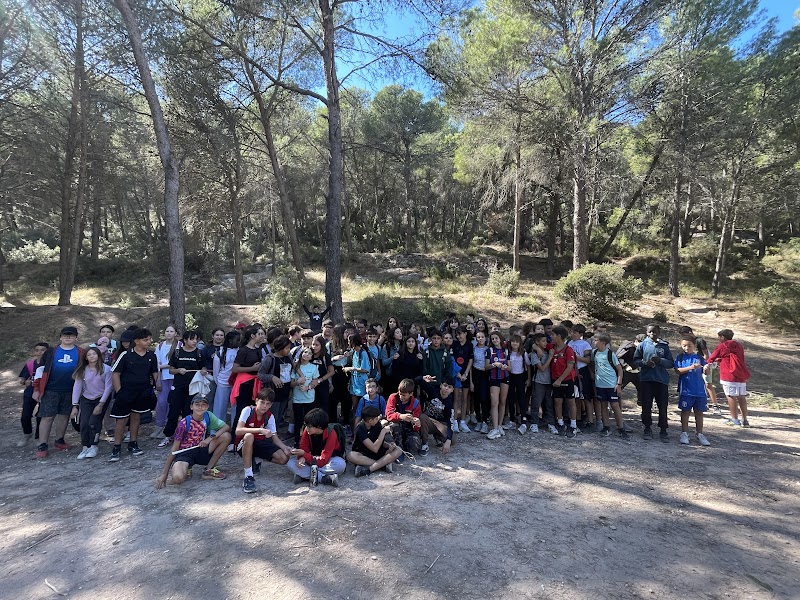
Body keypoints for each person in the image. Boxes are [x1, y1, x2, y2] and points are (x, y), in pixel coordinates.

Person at [155, 396, 231, 488]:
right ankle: (186, 467)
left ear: (207, 407)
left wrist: (209, 439)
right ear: (191, 407)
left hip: (201, 448)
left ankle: (208, 470)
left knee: (226, 436)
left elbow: (226, 427)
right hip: (185, 453)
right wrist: (165, 473)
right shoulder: (183, 423)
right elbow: (174, 448)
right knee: (178, 479)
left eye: (203, 405)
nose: (200, 407)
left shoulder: (208, 416)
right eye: (197, 404)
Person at [32, 326, 86, 458]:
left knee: (64, 415)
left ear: (76, 337)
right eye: (65, 335)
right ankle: (42, 444)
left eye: (71, 335)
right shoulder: (51, 351)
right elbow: (40, 370)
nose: (68, 337)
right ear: (60, 337)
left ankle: (59, 440)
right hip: (50, 389)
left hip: (71, 390)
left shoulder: (81, 352)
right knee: (47, 417)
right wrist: (36, 389)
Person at [109, 328, 161, 462]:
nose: (148, 342)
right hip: (126, 392)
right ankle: (116, 447)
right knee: (121, 419)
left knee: (136, 417)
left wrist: (155, 384)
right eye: (145, 340)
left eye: (149, 339)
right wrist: (119, 391)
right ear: (136, 341)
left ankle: (133, 443)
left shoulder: (151, 355)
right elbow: (115, 373)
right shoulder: (125, 355)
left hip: (143, 392)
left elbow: (155, 372)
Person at [236, 388, 291, 493]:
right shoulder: (248, 410)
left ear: (271, 405)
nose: (264, 406)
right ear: (256, 401)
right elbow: (238, 431)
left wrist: (285, 448)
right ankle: (248, 476)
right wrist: (260, 430)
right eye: (262, 402)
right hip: (243, 443)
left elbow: (275, 438)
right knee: (249, 436)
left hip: (259, 443)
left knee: (283, 458)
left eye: (268, 403)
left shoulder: (270, 416)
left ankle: (257, 458)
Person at [160, 330, 207, 448]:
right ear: (185, 340)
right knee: (173, 411)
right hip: (178, 386)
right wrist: (178, 370)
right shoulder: (177, 353)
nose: (194, 341)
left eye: (196, 339)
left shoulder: (199, 353)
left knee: (188, 412)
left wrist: (203, 371)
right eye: (192, 339)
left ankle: (187, 436)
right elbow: (171, 370)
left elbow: (204, 367)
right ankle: (168, 435)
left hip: (193, 388)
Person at [633, 324, 674, 441]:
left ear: (659, 333)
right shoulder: (642, 345)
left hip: (661, 380)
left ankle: (663, 429)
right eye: (650, 332)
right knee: (646, 405)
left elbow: (670, 363)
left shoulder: (664, 346)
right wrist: (645, 363)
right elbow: (636, 360)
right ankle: (647, 428)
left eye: (654, 332)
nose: (652, 334)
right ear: (646, 332)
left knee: (662, 405)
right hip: (646, 379)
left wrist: (660, 360)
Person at [287, 408, 346, 487]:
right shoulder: (307, 430)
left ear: (319, 427)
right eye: (306, 425)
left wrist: (304, 455)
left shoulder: (331, 433)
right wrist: (301, 458)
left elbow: (324, 460)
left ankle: (305, 476)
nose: (306, 428)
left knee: (341, 465)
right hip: (312, 458)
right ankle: (323, 478)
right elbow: (303, 447)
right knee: (290, 463)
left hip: (329, 459)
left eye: (309, 426)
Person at [71, 346, 113, 459]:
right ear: (85, 357)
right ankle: (85, 446)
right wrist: (75, 405)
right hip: (87, 398)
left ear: (98, 355)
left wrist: (101, 404)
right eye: (89, 355)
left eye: (94, 354)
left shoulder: (106, 369)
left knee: (94, 422)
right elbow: (77, 387)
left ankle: (94, 445)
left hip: (101, 398)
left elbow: (108, 387)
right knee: (84, 423)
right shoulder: (83, 370)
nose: (91, 356)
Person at [708, 329, 751, 427]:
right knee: (741, 397)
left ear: (722, 337)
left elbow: (712, 358)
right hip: (740, 374)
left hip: (728, 375)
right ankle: (745, 420)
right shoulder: (739, 346)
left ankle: (735, 420)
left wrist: (709, 363)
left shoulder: (722, 346)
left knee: (731, 396)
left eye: (719, 337)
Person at [674, 336, 712, 446]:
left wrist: (706, 369)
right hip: (686, 390)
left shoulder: (699, 357)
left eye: (689, 346)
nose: (687, 348)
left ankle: (700, 434)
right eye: (684, 346)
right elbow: (678, 370)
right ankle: (684, 433)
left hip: (699, 390)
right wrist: (691, 367)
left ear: (694, 346)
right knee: (685, 412)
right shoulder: (680, 357)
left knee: (699, 412)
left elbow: (707, 372)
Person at [347, 405, 404, 476]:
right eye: (376, 418)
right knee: (351, 455)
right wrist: (383, 432)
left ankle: (370, 469)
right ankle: (382, 465)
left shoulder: (377, 424)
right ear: (370, 421)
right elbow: (374, 448)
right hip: (364, 454)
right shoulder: (360, 429)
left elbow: (380, 442)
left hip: (377, 452)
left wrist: (389, 446)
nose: (378, 420)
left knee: (398, 450)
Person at [591, 333, 628, 439]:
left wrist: (619, 384)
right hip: (600, 384)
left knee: (615, 405)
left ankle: (621, 428)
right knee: (603, 405)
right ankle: (606, 427)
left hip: (611, 385)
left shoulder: (610, 354)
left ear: (603, 343)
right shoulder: (594, 352)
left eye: (596, 340)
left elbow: (620, 370)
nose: (594, 342)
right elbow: (592, 364)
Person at [257, 335, 294, 430]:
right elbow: (260, 375)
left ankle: (274, 434)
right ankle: (268, 435)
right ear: (280, 348)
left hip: (285, 392)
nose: (289, 350)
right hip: (273, 393)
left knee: (279, 417)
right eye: (287, 348)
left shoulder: (289, 357)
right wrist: (272, 377)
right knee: (272, 417)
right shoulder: (269, 359)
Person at [17, 341, 48, 447]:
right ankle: (27, 434)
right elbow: (22, 379)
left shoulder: (50, 365)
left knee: (41, 415)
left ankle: (39, 437)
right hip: (30, 392)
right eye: (37, 350)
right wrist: (25, 382)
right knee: (25, 415)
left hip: (45, 392)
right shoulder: (30, 364)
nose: (40, 352)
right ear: (34, 352)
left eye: (43, 350)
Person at [152, 325, 180, 441]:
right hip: (163, 377)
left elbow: (176, 363)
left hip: (175, 377)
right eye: (167, 331)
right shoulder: (160, 346)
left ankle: (169, 427)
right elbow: (156, 363)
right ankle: (159, 425)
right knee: (161, 402)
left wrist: (164, 366)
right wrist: (157, 379)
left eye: (171, 331)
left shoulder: (179, 345)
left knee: (171, 402)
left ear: (175, 333)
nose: (169, 333)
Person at [550, 325, 578, 438]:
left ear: (559, 336)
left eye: (553, 335)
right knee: (557, 401)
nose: (551, 337)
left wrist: (560, 379)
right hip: (555, 380)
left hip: (567, 379)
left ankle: (573, 425)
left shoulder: (568, 349)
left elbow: (570, 367)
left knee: (571, 402)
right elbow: (536, 344)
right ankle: (560, 423)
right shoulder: (552, 347)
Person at [385, 378, 423, 455]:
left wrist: (417, 424)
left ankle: (404, 445)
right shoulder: (393, 397)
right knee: (395, 426)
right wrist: (400, 416)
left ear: (411, 394)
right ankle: (398, 449)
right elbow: (388, 415)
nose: (401, 397)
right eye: (400, 394)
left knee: (413, 448)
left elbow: (416, 427)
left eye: (404, 395)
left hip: (409, 428)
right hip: (396, 426)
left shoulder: (415, 403)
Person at [290, 347, 320, 445]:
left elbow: (315, 381)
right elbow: (291, 383)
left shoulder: (313, 367)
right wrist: (297, 382)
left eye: (310, 353)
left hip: (309, 398)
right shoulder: (296, 367)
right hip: (297, 399)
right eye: (305, 352)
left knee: (309, 421)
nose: (307, 354)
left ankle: (308, 441)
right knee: (298, 420)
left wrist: (308, 387)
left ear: (311, 357)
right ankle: (296, 441)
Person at [419, 377, 456, 455]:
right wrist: (423, 378)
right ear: (441, 385)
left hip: (440, 424)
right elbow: (417, 380)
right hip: (428, 421)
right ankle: (424, 444)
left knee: (452, 440)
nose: (446, 388)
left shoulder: (449, 402)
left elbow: (450, 421)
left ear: (452, 390)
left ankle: (437, 436)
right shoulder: (433, 391)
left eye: (449, 387)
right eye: (445, 385)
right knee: (422, 417)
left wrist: (448, 440)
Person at [213, 330, 241, 425]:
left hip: (236, 382)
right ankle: (217, 428)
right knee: (220, 407)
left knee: (235, 406)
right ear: (230, 340)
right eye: (237, 340)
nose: (239, 342)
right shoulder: (220, 352)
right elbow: (216, 371)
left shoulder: (240, 351)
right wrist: (219, 382)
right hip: (222, 382)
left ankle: (234, 427)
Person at [486, 332, 510, 440]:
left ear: (500, 338)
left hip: (505, 377)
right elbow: (486, 366)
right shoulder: (489, 351)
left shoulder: (506, 351)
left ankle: (499, 426)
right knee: (494, 402)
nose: (495, 340)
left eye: (496, 338)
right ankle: (495, 428)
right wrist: (494, 364)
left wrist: (505, 367)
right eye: (492, 339)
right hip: (494, 378)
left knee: (502, 402)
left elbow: (510, 368)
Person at [531, 332, 556, 434]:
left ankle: (551, 423)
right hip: (539, 381)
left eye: (546, 341)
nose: (546, 343)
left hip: (549, 382)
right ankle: (534, 423)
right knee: (536, 403)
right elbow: (541, 368)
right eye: (543, 341)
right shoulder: (535, 354)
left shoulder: (548, 351)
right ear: (537, 342)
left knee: (549, 403)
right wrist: (550, 357)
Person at [451, 327, 473, 433]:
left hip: (465, 374)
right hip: (457, 374)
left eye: (460, 334)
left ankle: (463, 421)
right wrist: (458, 373)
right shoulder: (454, 344)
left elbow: (470, 360)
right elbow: (452, 359)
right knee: (456, 398)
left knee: (465, 398)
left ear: (465, 334)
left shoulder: (470, 345)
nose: (458, 336)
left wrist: (466, 373)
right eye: (457, 334)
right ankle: (455, 421)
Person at [470, 331, 490, 433]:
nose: (480, 339)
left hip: (485, 375)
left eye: (482, 337)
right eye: (478, 337)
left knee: (484, 398)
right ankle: (478, 420)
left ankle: (485, 421)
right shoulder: (473, 349)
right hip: (475, 373)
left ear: (485, 338)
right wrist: (471, 381)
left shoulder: (488, 349)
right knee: (476, 398)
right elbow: (471, 365)